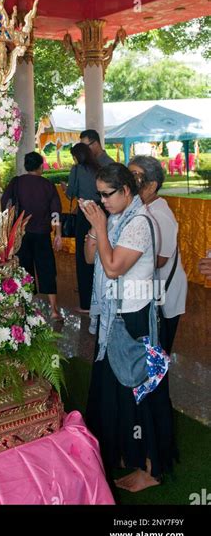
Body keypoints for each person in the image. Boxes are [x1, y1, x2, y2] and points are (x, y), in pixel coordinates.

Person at [81, 163, 176, 493]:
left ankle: (152, 467)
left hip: (136, 317)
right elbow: (91, 258)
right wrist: (95, 231)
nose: (102, 200)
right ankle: (128, 452)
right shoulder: (118, 217)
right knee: (117, 389)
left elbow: (112, 268)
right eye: (99, 195)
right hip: (115, 315)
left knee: (141, 390)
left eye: (108, 194)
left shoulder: (139, 221)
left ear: (126, 192)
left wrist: (100, 226)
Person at [129, 155, 187, 354]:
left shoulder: (159, 213)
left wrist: (122, 260)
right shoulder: (141, 208)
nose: (129, 181)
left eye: (135, 176)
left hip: (165, 293)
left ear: (152, 185)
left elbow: (160, 260)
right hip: (149, 290)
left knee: (158, 352)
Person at [1, 151, 63, 320]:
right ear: (40, 166)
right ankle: (54, 310)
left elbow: (4, 203)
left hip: (22, 234)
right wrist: (58, 234)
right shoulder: (47, 185)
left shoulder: (16, 183)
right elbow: (55, 212)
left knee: (24, 269)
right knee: (47, 269)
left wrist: (10, 224)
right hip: (42, 234)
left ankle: (28, 307)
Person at [64, 142, 100, 313]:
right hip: (100, 213)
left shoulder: (76, 170)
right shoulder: (99, 168)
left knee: (83, 257)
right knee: (99, 255)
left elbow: (71, 192)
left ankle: (86, 303)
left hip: (85, 213)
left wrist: (66, 188)